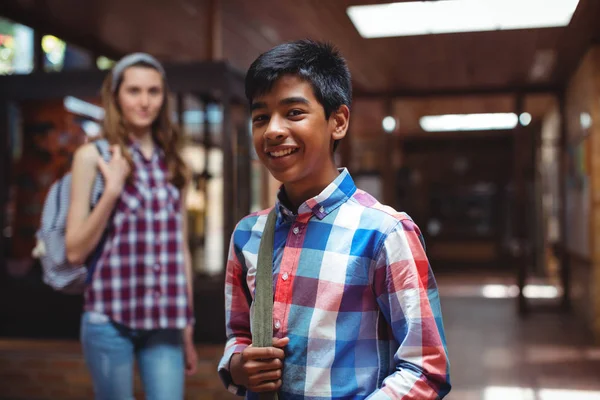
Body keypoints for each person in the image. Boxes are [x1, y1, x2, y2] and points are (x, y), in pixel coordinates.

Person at [218, 40, 451, 399]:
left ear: (337, 122)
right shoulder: (248, 234)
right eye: (260, 117)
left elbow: (425, 368)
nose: (273, 130)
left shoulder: (384, 232)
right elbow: (239, 335)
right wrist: (237, 365)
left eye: (293, 112)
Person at [65, 53, 197, 400]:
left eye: (153, 91)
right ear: (116, 95)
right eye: (134, 90)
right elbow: (74, 249)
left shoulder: (174, 162)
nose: (144, 101)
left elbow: (179, 247)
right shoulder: (93, 156)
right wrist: (112, 189)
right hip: (109, 317)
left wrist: (187, 323)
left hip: (166, 321)